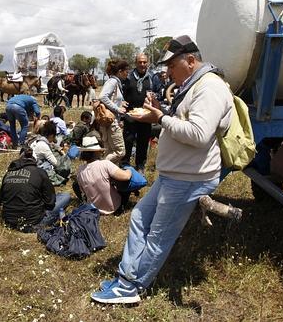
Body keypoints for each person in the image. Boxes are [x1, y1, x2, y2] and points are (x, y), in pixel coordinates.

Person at [91, 35, 233, 304]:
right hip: (175, 174)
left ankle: (132, 288)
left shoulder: (210, 88)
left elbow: (199, 134)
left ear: (191, 61)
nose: (167, 72)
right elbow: (185, 120)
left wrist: (160, 117)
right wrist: (161, 111)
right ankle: (127, 277)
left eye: (172, 66)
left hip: (189, 177)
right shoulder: (194, 84)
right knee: (139, 219)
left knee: (158, 235)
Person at [0, 147, 71, 232]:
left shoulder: (8, 173)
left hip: (9, 221)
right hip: (34, 221)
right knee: (65, 196)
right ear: (34, 160)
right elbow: (50, 202)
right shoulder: (40, 172)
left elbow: (0, 201)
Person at [120, 54, 160, 173]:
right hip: (130, 115)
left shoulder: (153, 77)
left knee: (143, 141)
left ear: (147, 63)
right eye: (140, 62)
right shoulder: (129, 77)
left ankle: (140, 167)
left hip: (145, 115)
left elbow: (158, 92)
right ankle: (125, 165)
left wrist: (154, 96)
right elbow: (122, 94)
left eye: (144, 62)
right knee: (128, 140)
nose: (142, 64)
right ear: (135, 63)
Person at [75, 136, 132, 215]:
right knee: (127, 182)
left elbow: (83, 191)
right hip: (114, 207)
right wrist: (129, 169)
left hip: (93, 209)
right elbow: (126, 177)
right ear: (96, 151)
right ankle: (120, 208)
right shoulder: (105, 164)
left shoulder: (80, 170)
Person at [98, 59, 129, 164]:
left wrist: (120, 103)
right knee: (120, 152)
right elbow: (103, 96)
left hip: (109, 122)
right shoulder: (113, 81)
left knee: (109, 151)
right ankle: (99, 166)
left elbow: (111, 99)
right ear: (120, 71)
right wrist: (118, 109)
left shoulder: (114, 81)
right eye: (126, 71)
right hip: (112, 122)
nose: (127, 73)